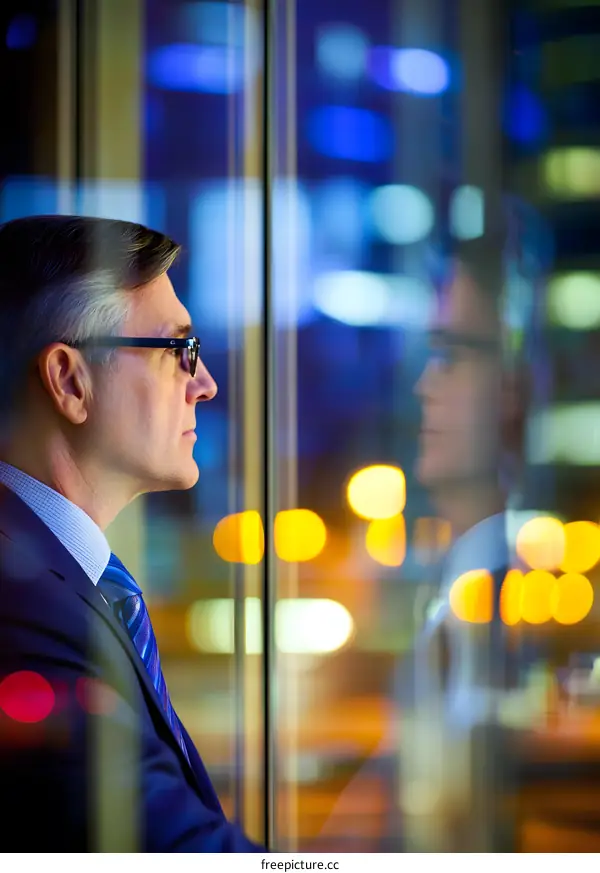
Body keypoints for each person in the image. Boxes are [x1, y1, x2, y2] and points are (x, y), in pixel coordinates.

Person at [0, 214, 264, 852]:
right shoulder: (23, 607)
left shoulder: (56, 578)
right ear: (70, 380)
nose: (205, 384)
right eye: (181, 351)